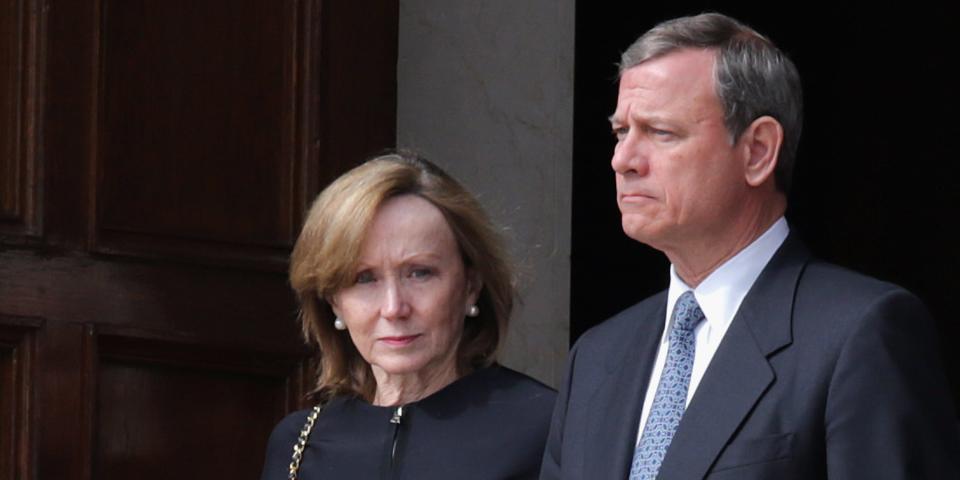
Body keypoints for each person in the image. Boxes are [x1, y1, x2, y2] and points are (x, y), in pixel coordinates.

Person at [541, 12, 959, 480]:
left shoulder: (858, 333)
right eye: (621, 132)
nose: (623, 160)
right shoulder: (596, 357)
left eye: (660, 132)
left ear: (758, 150)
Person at [260, 152, 556, 479]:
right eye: (364, 278)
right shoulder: (299, 445)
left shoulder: (545, 427)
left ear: (471, 285)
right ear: (333, 301)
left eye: (419, 273)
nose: (394, 308)